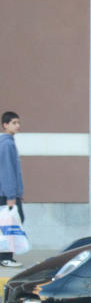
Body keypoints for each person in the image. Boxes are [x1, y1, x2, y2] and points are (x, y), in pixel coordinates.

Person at [0, 111, 25, 267]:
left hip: (8, 193)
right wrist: (11, 196)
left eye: (18, 123)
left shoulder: (7, 142)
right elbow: (8, 171)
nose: (18, 126)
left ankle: (5, 256)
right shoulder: (7, 143)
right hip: (7, 194)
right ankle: (6, 257)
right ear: (5, 125)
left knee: (8, 223)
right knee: (11, 223)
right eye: (14, 123)